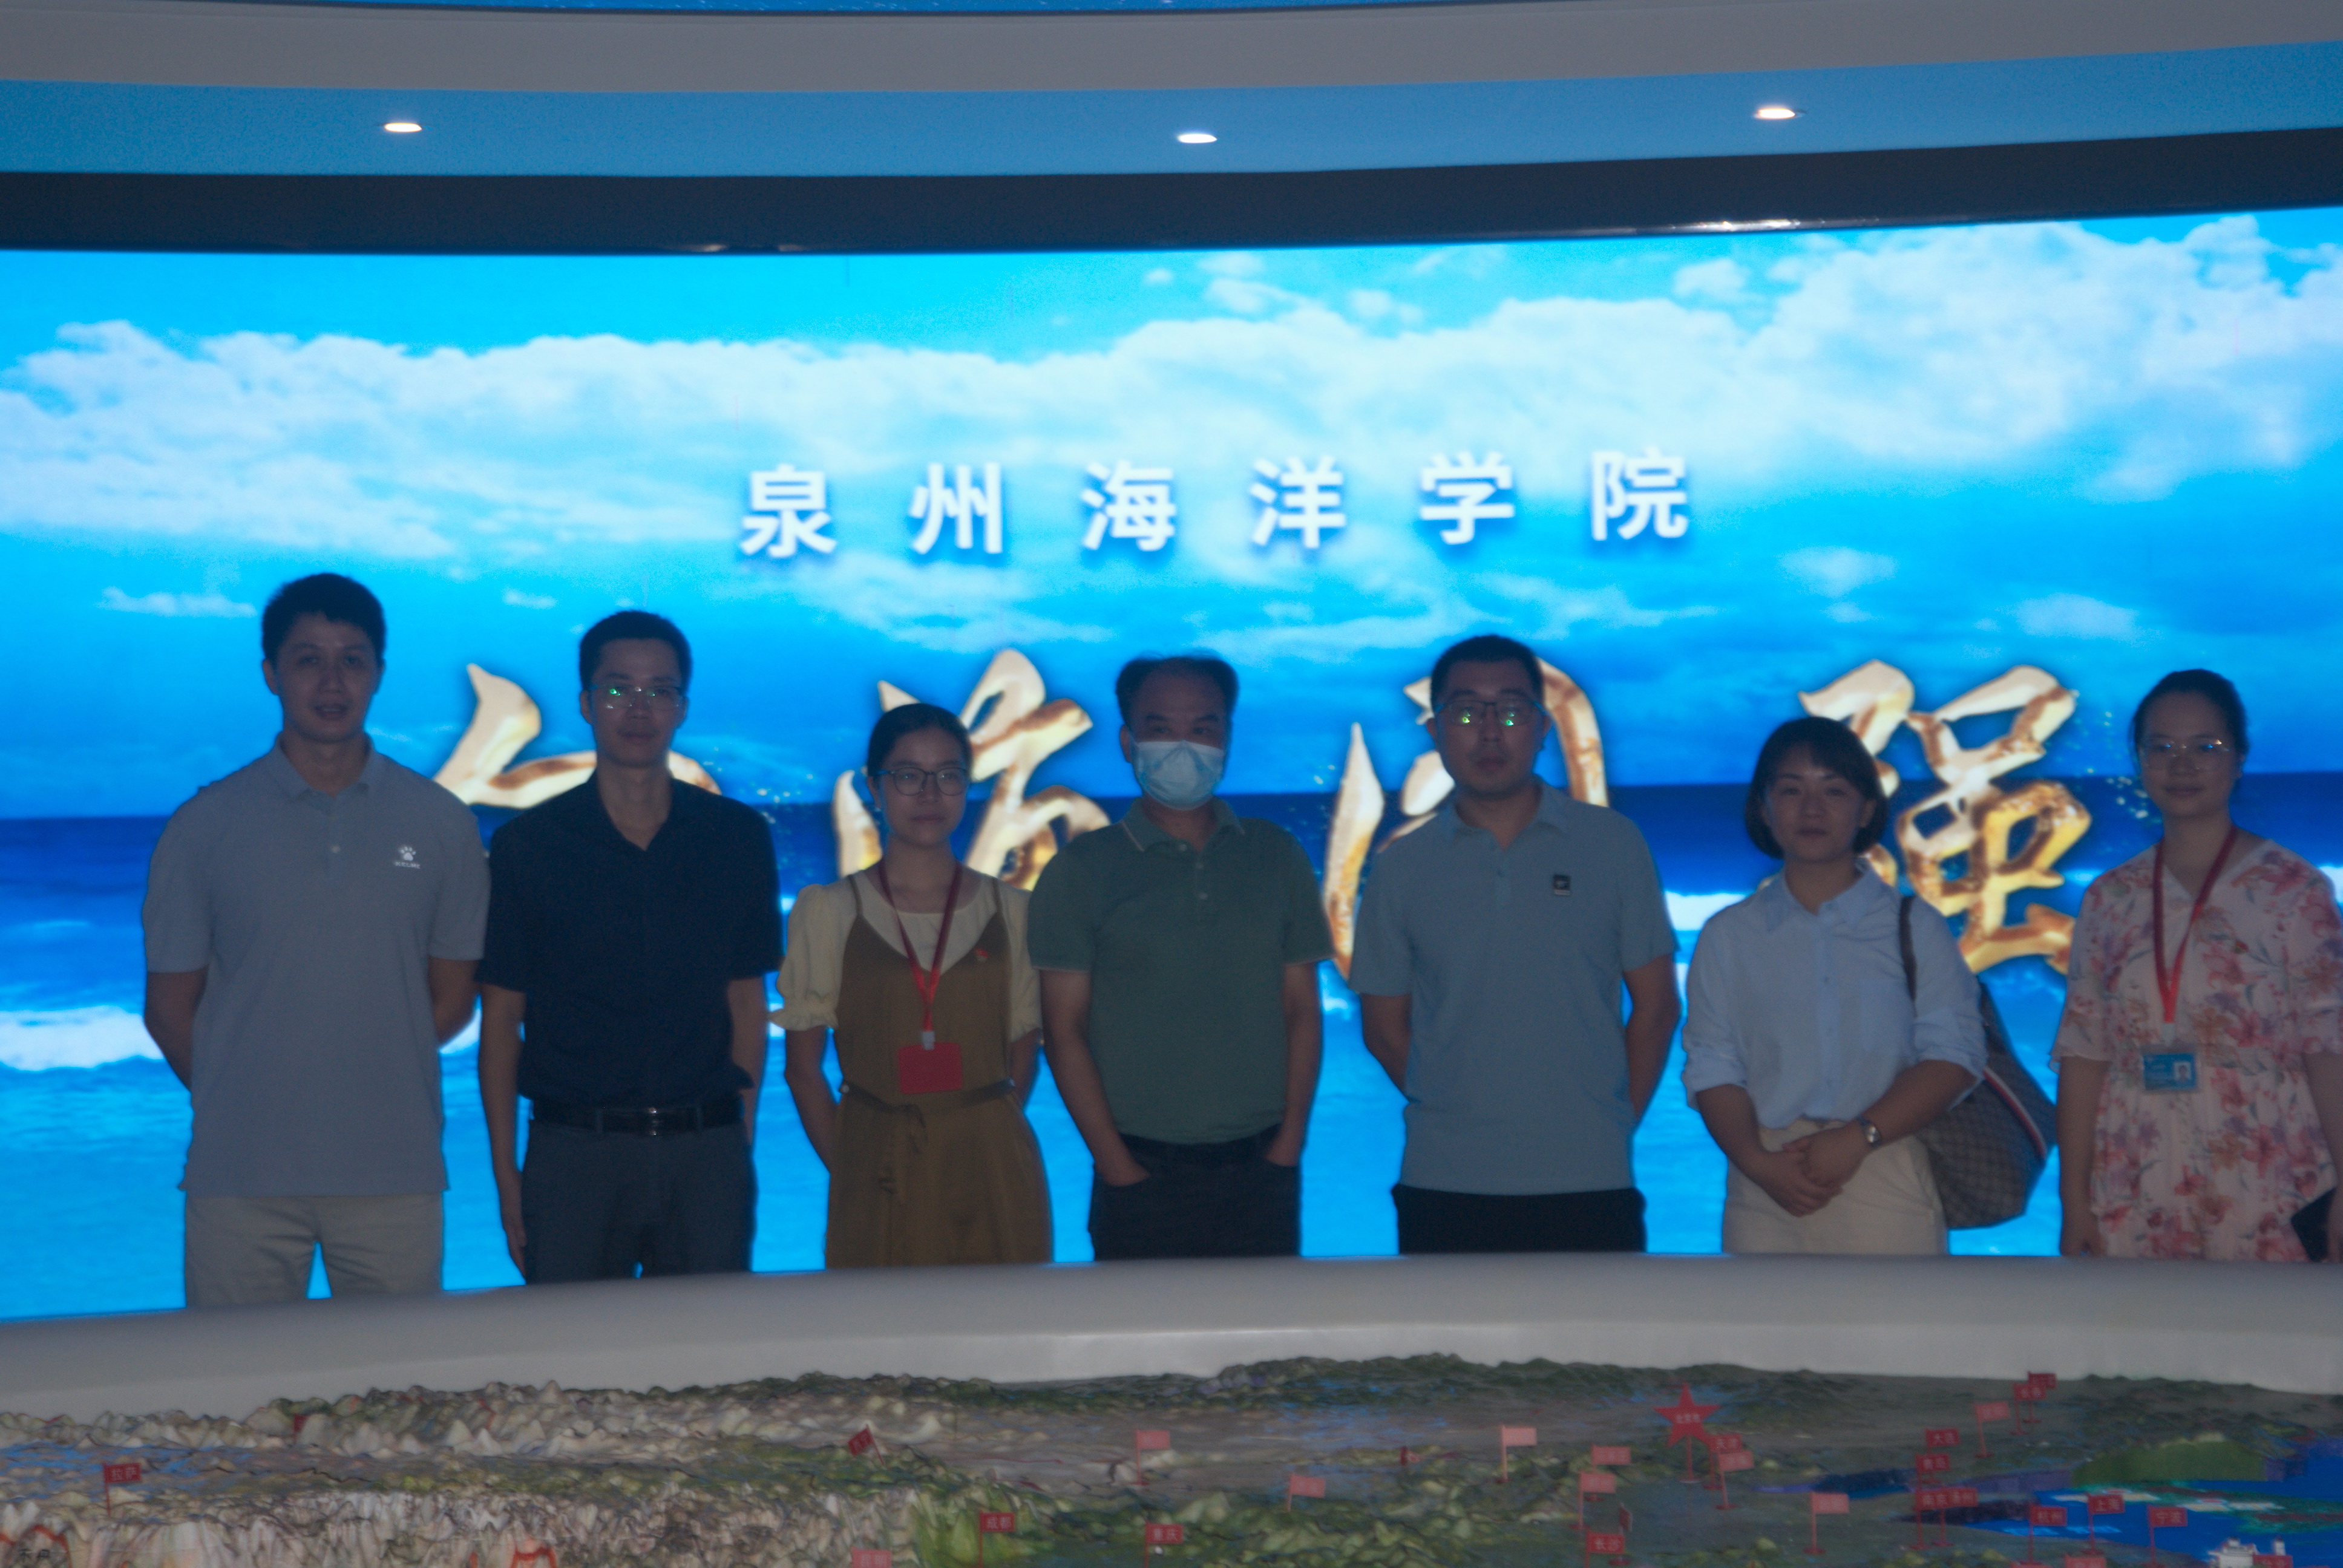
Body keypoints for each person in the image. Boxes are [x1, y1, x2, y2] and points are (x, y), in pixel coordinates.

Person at [142, 573, 487, 1307]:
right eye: (308, 660)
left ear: (378, 674)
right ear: (271, 673)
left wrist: (361, 1078)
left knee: (399, 1378)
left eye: (352, 660)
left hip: (393, 1173)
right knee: (233, 1379)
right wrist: (250, 1097)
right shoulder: (203, 827)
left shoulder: (441, 823)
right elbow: (170, 1008)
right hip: (241, 1179)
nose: (332, 682)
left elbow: (454, 997)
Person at [477, 610, 780, 1282]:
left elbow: (746, 1001)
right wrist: (506, 1173)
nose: (639, 709)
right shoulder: (529, 847)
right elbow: (501, 1018)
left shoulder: (735, 839)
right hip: (574, 1155)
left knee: (708, 1346)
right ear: (586, 704)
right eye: (617, 689)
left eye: (659, 691)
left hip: (705, 1151)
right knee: (570, 1348)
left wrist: (740, 1136)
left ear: (683, 707)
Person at [1350, 633, 1679, 1253]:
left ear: (1542, 727)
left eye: (1509, 710)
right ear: (1435, 731)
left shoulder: (1612, 844)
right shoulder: (1401, 868)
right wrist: (1457, 1106)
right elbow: (1384, 1029)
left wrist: (1609, 1126)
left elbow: (1657, 1008)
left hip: (1590, 1179)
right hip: (1443, 1179)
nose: (1488, 732)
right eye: (1465, 713)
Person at [1029, 654, 1332, 1260]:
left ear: (1226, 739)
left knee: (1271, 1324)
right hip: (1140, 1169)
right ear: (1128, 742)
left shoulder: (1275, 854)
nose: (1183, 747)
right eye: (1161, 728)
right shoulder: (1080, 870)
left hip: (1265, 1165)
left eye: (1203, 728)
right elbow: (1063, 1032)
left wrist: (1288, 1147)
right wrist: (1117, 1167)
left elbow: (1302, 1008)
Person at [2054, 670, 2343, 1262]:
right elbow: (2084, 1056)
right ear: (2139, 761)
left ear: (2239, 758)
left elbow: (2328, 1050)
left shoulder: (2294, 890)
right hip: (2135, 1175)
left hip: (2268, 1171)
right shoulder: (2109, 898)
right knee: (2140, 1325)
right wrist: (2073, 1201)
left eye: (2204, 747)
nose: (2181, 764)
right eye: (2161, 747)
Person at [1680, 716, 1984, 1255]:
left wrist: (1858, 1137)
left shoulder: (1915, 926)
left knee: (1897, 1317)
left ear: (1866, 809)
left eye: (1834, 790)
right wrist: (1756, 1163)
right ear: (1764, 808)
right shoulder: (1728, 935)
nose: (1812, 808)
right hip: (1764, 1183)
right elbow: (1712, 1064)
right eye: (1791, 790)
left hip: (1881, 1165)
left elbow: (1955, 1056)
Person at [776, 704, 1052, 1266]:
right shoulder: (829, 911)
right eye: (908, 775)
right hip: (877, 1166)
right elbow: (803, 1071)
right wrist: (856, 1166)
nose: (929, 794)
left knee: (1001, 1315)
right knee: (880, 1320)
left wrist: (978, 1129)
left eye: (948, 775)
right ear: (875, 788)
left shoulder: (1015, 911)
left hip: (992, 1165)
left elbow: (1025, 1047)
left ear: (967, 786)